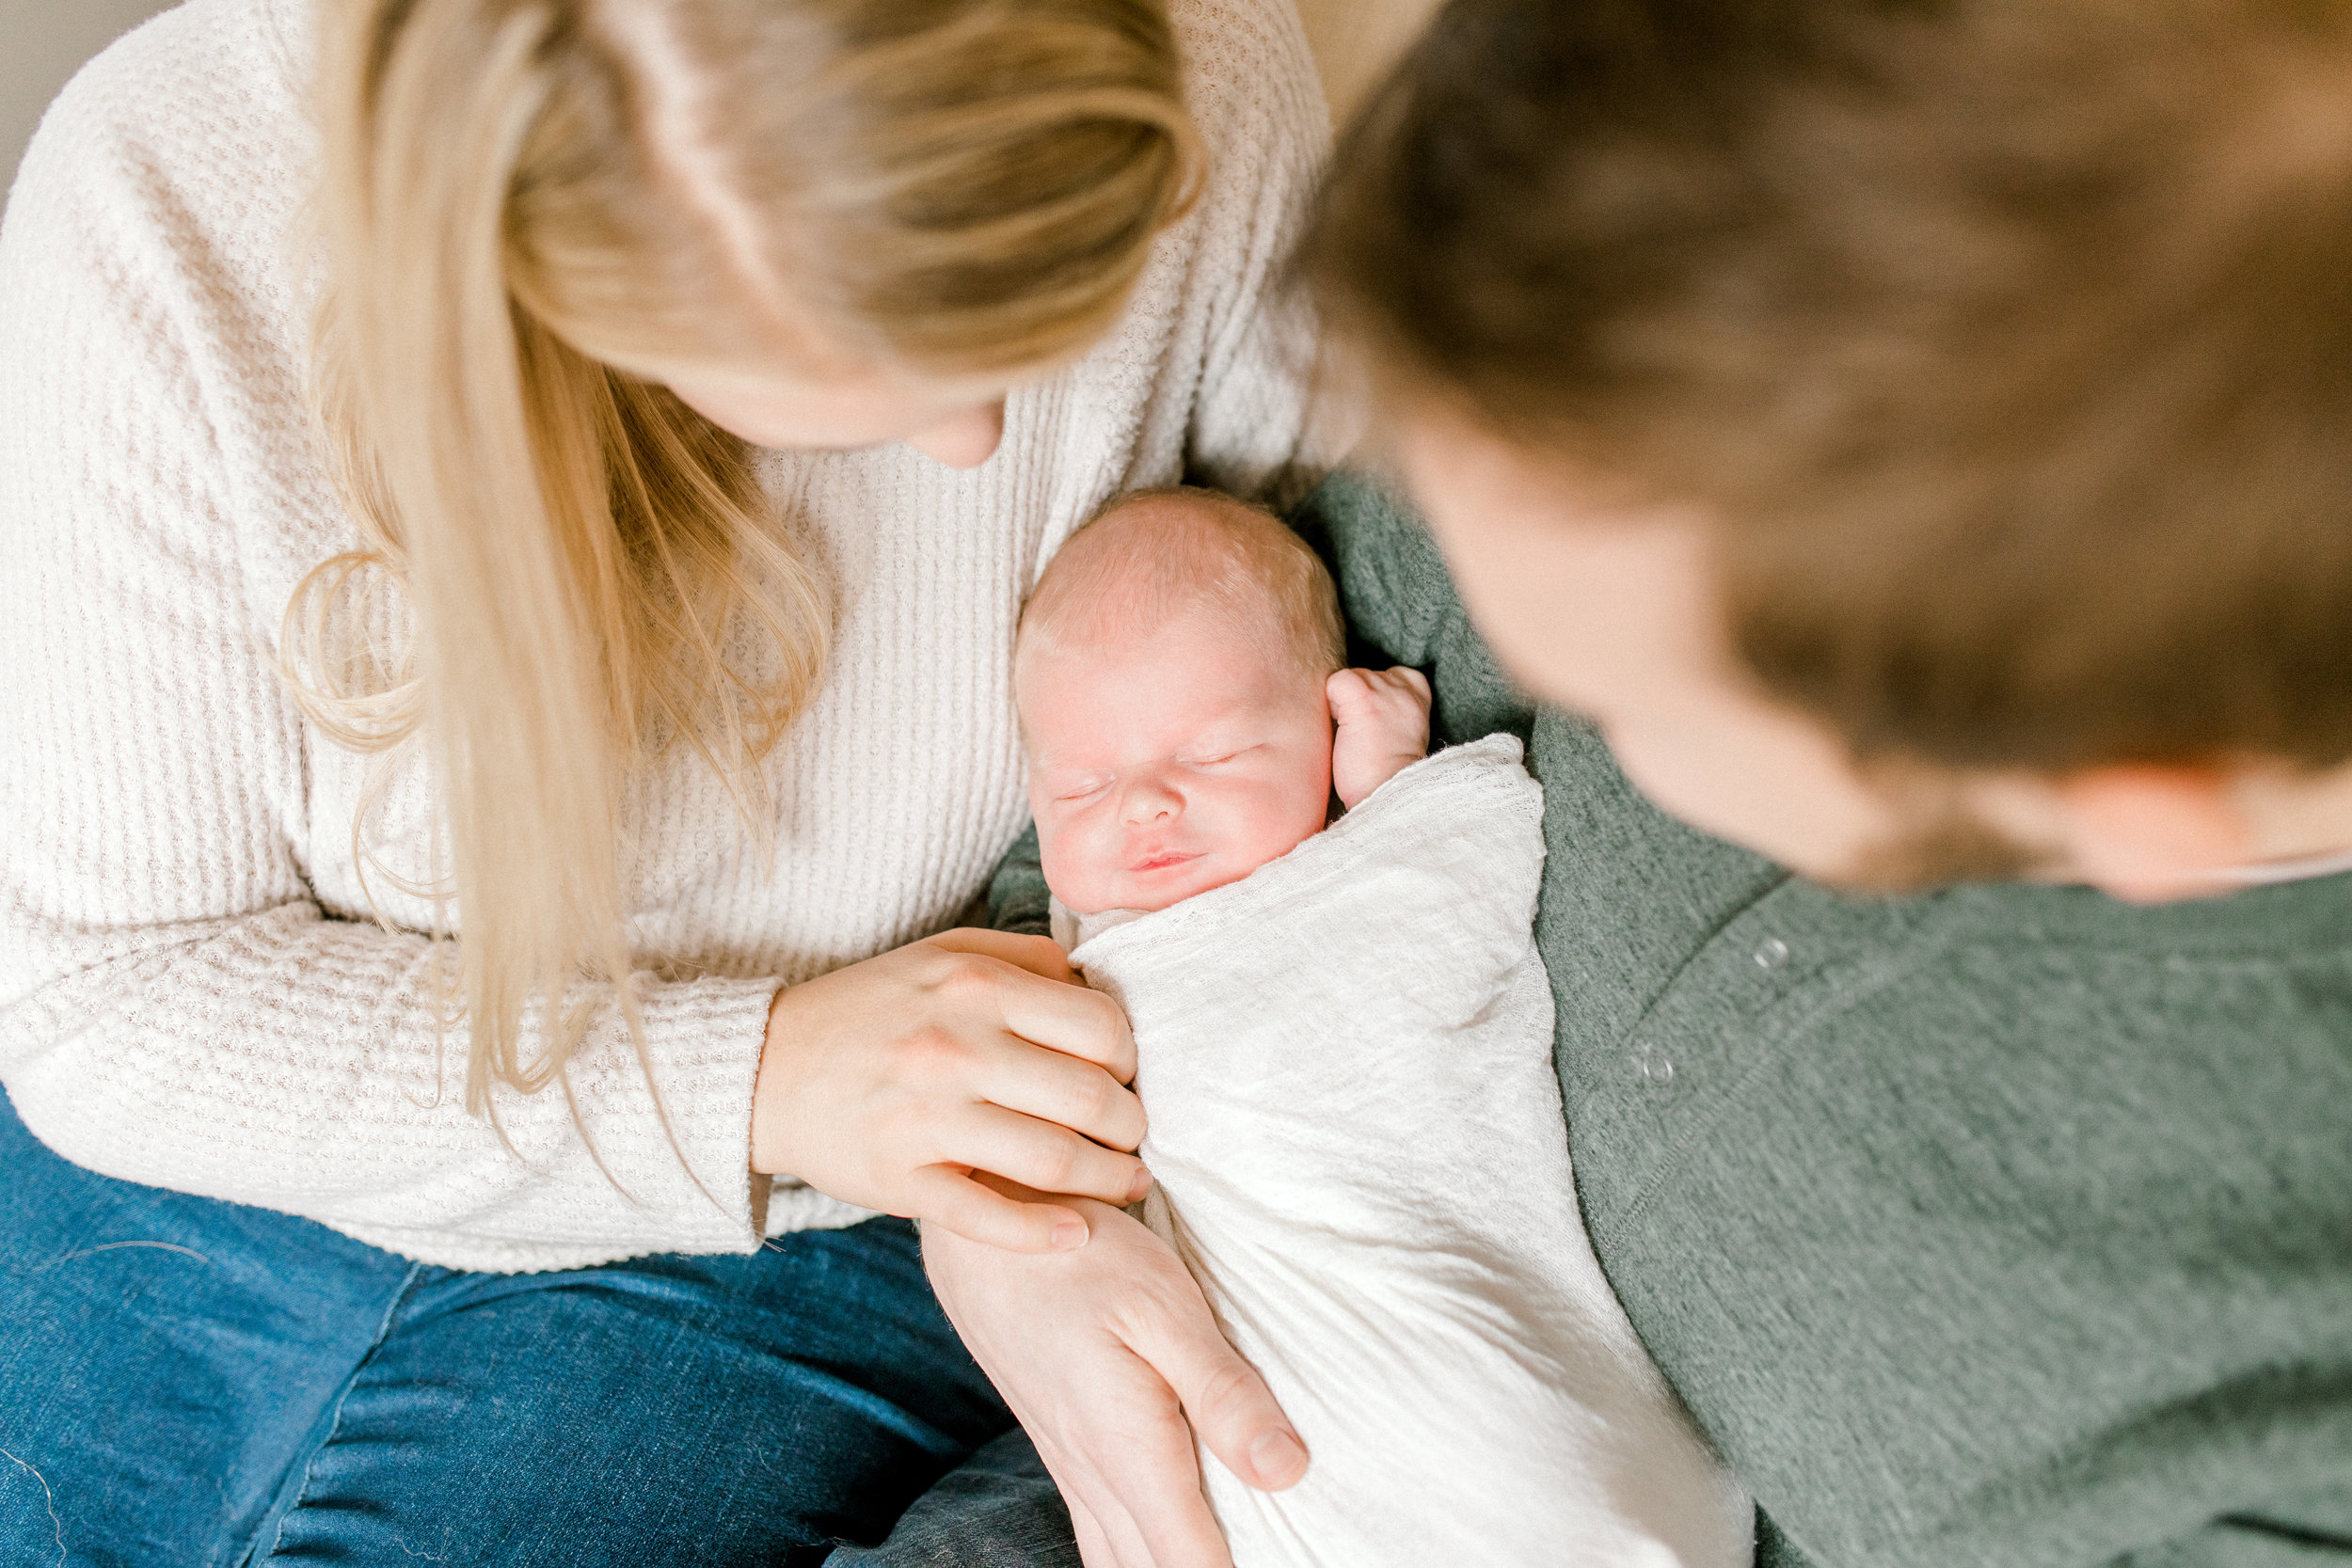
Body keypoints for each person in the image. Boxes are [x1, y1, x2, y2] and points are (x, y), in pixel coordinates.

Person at [930, 1, 2352, 1564]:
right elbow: (1166, 690)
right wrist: (1000, 1187)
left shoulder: (2276, 1426)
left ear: (2128, 813)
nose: (1558, 705)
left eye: (1609, 702)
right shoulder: (1658, 353)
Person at [0, 0, 1329, 1559]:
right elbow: (110, 1001)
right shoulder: (170, 189)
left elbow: (1293, 693)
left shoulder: (1199, 78)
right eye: (872, 357)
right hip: (243, 1142)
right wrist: (765, 1073)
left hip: (839, 1209)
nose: (978, 444)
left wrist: (1033, 1189)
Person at [1014, 486, 1752, 1568]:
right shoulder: (1076, 960)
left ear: (1328, 721)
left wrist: (1400, 794)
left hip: (1479, 1427)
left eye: (1212, 755)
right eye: (1081, 786)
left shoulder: (1364, 884)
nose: (1143, 805)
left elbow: (1463, 898)